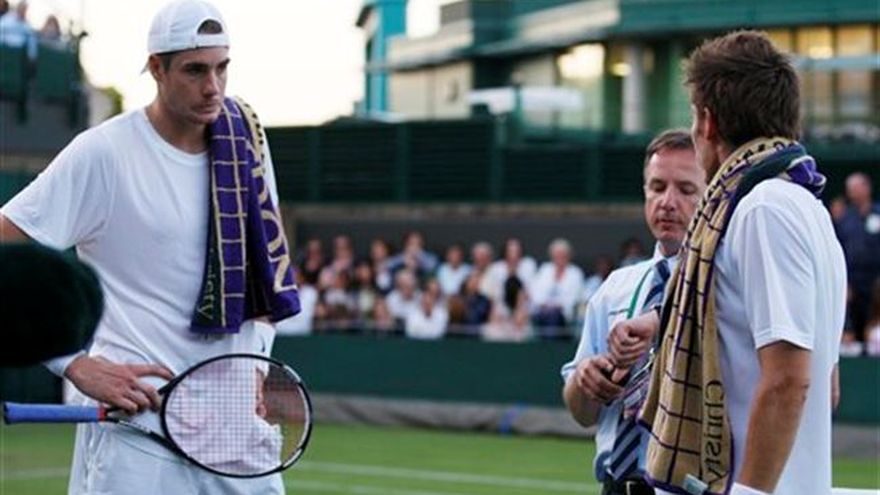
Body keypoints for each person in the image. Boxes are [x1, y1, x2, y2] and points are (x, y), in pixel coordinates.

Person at [0, 1, 300, 494]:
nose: (213, 86)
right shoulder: (104, 152)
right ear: (156, 69)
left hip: (235, 426)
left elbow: (263, 269)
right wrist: (73, 364)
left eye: (222, 67)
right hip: (138, 427)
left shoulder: (245, 141)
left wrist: (255, 363)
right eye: (195, 70)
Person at [610, 31, 845, 495]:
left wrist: (749, 493)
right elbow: (824, 383)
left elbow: (789, 378)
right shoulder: (799, 205)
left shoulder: (764, 208)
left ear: (708, 120)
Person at [561, 130, 705, 495]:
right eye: (657, 187)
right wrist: (584, 381)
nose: (667, 202)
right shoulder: (616, 287)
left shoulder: (726, 287)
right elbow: (582, 414)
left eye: (686, 190)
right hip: (616, 485)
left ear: (710, 197)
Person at [836, 172, 880, 343]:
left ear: (867, 188)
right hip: (853, 282)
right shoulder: (845, 219)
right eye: (850, 190)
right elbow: (840, 249)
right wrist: (845, 282)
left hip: (876, 281)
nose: (852, 193)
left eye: (856, 188)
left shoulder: (878, 213)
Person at [530, 238, 584, 332]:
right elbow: (536, 294)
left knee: (553, 316)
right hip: (543, 313)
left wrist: (556, 307)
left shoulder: (575, 273)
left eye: (563, 255)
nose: (559, 258)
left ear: (568, 256)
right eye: (557, 255)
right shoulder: (545, 270)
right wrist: (545, 306)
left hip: (564, 316)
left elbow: (574, 298)